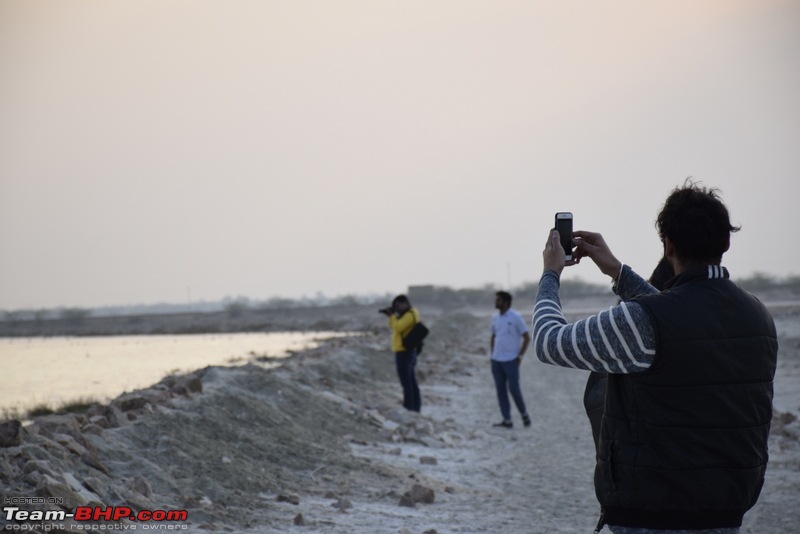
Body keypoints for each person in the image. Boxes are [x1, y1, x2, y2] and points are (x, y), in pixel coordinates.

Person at [532, 181, 778, 533]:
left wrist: (550, 274)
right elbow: (678, 324)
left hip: (652, 515)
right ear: (726, 242)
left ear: (668, 245)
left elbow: (548, 341)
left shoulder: (647, 321)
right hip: (726, 513)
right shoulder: (757, 315)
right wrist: (618, 273)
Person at [490, 291, 532, 428]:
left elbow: (526, 337)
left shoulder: (515, 317)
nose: (496, 302)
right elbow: (493, 336)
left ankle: (524, 414)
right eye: (496, 300)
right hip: (496, 360)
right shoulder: (495, 318)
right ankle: (507, 420)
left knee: (514, 389)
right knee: (500, 390)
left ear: (506, 302)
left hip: (511, 360)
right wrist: (492, 354)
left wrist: (520, 356)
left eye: (499, 300)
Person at [379, 295, 422, 412]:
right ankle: (414, 408)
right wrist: (392, 317)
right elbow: (396, 326)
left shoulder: (410, 315)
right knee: (411, 381)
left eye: (398, 306)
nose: (397, 309)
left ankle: (409, 408)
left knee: (407, 382)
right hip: (406, 351)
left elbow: (397, 327)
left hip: (405, 352)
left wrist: (391, 316)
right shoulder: (410, 314)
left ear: (405, 303)